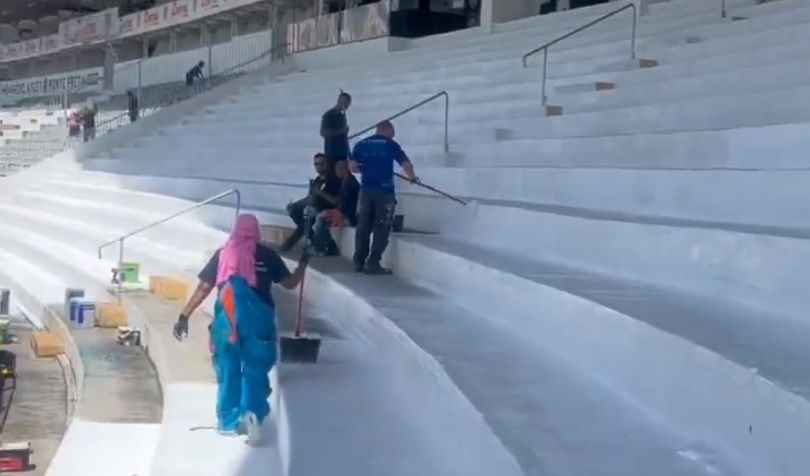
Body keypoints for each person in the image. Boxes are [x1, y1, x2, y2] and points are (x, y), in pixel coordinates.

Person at [172, 214, 308, 444]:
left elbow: (205, 286)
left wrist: (184, 315)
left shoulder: (223, 254)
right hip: (259, 321)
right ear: (256, 231)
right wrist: (303, 264)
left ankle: (227, 421)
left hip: (227, 323)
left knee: (228, 369)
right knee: (255, 369)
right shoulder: (267, 255)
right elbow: (290, 284)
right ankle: (251, 414)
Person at [349, 120, 418, 275]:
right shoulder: (390, 145)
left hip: (366, 191)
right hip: (384, 191)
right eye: (392, 134)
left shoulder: (360, 145)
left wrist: (361, 167)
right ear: (387, 131)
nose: (392, 137)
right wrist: (412, 177)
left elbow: (353, 168)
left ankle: (358, 261)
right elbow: (405, 163)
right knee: (382, 226)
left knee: (363, 226)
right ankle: (373, 262)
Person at [280, 153, 342, 252]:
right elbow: (311, 195)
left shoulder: (333, 180)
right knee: (292, 209)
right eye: (316, 164)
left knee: (306, 219)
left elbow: (335, 201)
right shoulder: (318, 179)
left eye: (321, 164)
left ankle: (291, 243)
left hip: (324, 207)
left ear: (327, 164)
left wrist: (321, 194)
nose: (318, 167)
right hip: (313, 204)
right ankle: (309, 238)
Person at [320, 91, 351, 181]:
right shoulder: (328, 115)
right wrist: (340, 132)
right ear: (340, 101)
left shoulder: (342, 117)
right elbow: (323, 133)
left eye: (348, 104)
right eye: (346, 103)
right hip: (332, 154)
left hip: (343, 153)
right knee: (333, 179)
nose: (347, 106)